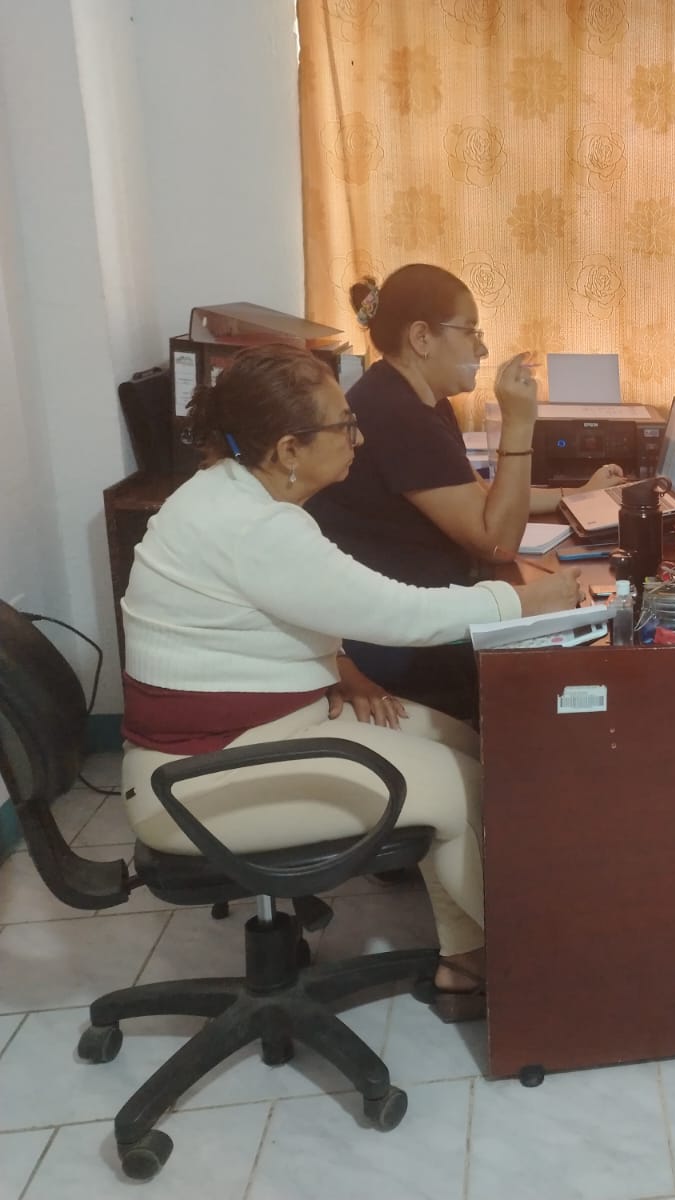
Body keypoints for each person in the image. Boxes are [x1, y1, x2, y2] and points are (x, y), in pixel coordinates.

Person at [120, 345, 581, 1022]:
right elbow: (399, 614)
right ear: (288, 448)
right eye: (344, 425)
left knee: (462, 737)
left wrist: (341, 666)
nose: (357, 438)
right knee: (459, 788)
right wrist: (522, 603)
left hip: (235, 735)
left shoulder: (232, 492)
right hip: (195, 778)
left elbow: (275, 610)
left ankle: (465, 958)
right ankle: (534, 970)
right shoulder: (254, 526)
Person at [307, 264, 621, 721]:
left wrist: (573, 496)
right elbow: (497, 541)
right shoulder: (396, 415)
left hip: (421, 612)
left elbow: (483, 496)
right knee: (559, 680)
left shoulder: (415, 399)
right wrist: (519, 423)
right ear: (422, 337)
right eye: (470, 331)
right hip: (397, 641)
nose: (483, 348)